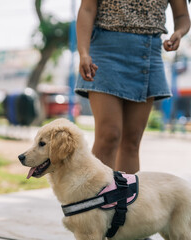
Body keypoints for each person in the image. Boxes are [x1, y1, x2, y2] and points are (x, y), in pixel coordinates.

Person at [75, 0, 190, 174]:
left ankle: (126, 200)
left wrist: (179, 32)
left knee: (132, 141)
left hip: (148, 52)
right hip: (105, 50)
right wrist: (83, 52)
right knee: (109, 135)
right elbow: (87, 9)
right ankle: (97, 200)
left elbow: (182, 16)